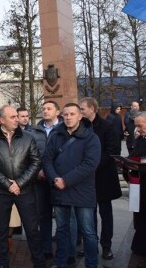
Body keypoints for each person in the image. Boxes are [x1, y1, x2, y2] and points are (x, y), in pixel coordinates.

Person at [0, 105, 45, 268]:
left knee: (32, 229)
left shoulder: (28, 137)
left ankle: (39, 262)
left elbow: (36, 162)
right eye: (12, 117)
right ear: (1, 120)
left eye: (17, 116)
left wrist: (19, 183)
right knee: (1, 229)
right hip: (2, 191)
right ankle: (3, 262)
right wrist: (8, 184)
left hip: (25, 190)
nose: (17, 119)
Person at [42, 103, 101, 268]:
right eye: (65, 114)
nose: (68, 117)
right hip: (59, 190)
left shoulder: (91, 138)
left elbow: (89, 164)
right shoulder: (56, 136)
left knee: (88, 232)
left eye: (72, 114)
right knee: (61, 229)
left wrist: (65, 180)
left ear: (80, 116)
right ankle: (60, 261)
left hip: (82, 191)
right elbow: (46, 160)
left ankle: (91, 264)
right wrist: (54, 179)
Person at [80, 97, 121, 260]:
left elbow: (112, 150)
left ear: (92, 109)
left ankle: (106, 246)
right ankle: (91, 245)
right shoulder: (80, 126)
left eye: (82, 109)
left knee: (105, 214)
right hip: (85, 179)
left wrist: (91, 166)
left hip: (103, 177)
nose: (80, 112)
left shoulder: (107, 126)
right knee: (88, 214)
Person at [27, 100, 62, 259]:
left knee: (63, 216)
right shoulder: (34, 131)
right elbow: (30, 155)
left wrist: (54, 173)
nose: (45, 111)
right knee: (43, 215)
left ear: (57, 111)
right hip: (40, 180)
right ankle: (46, 248)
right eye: (43, 108)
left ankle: (64, 250)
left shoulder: (63, 129)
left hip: (60, 179)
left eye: (49, 108)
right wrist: (37, 172)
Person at [120, 111, 146, 256]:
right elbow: (135, 155)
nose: (137, 129)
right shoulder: (141, 138)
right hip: (139, 185)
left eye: (140, 126)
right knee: (140, 218)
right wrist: (125, 161)